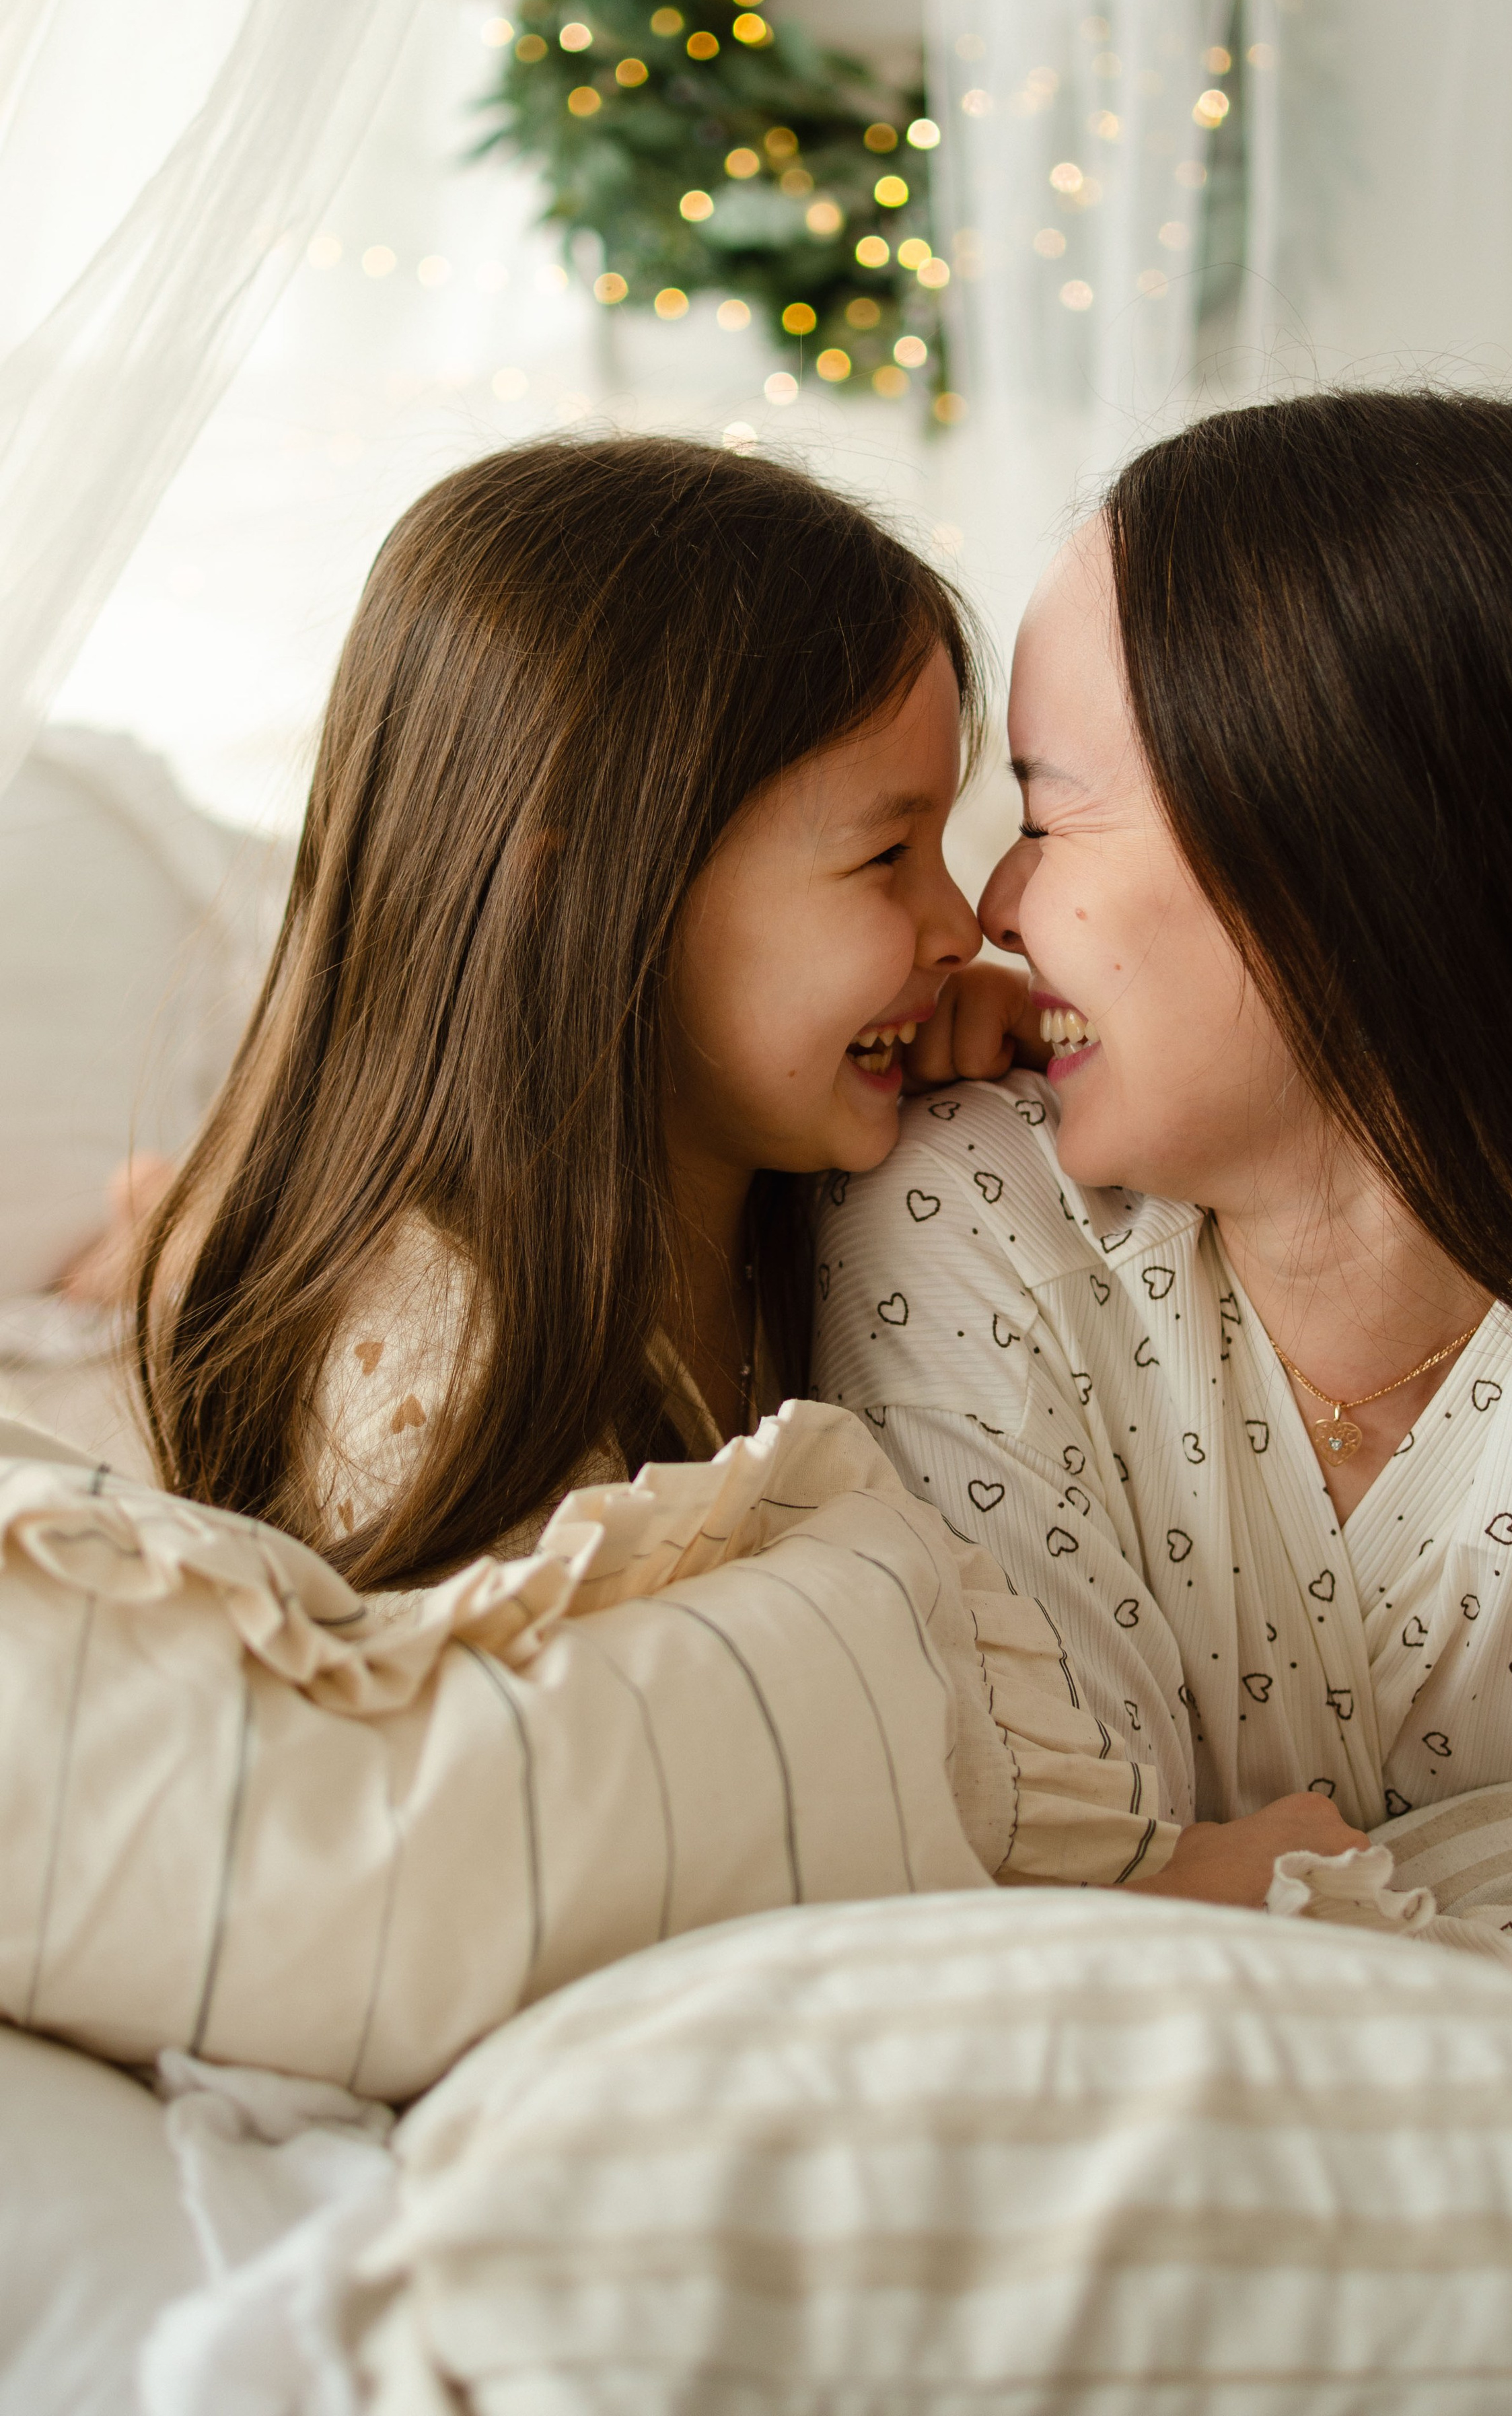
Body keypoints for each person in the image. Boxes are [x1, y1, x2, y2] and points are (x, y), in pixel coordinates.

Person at [132, 429, 1286, 1898]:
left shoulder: (803, 1196)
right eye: (886, 860)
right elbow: (607, 1849)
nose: (963, 924)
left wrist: (989, 1032)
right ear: (588, 893)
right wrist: (1157, 1886)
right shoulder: (446, 1349)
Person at [815, 388, 1512, 2022]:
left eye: (1042, 807)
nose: (995, 908)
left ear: (1334, 832)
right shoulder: (967, 1221)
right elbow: (1063, 1891)